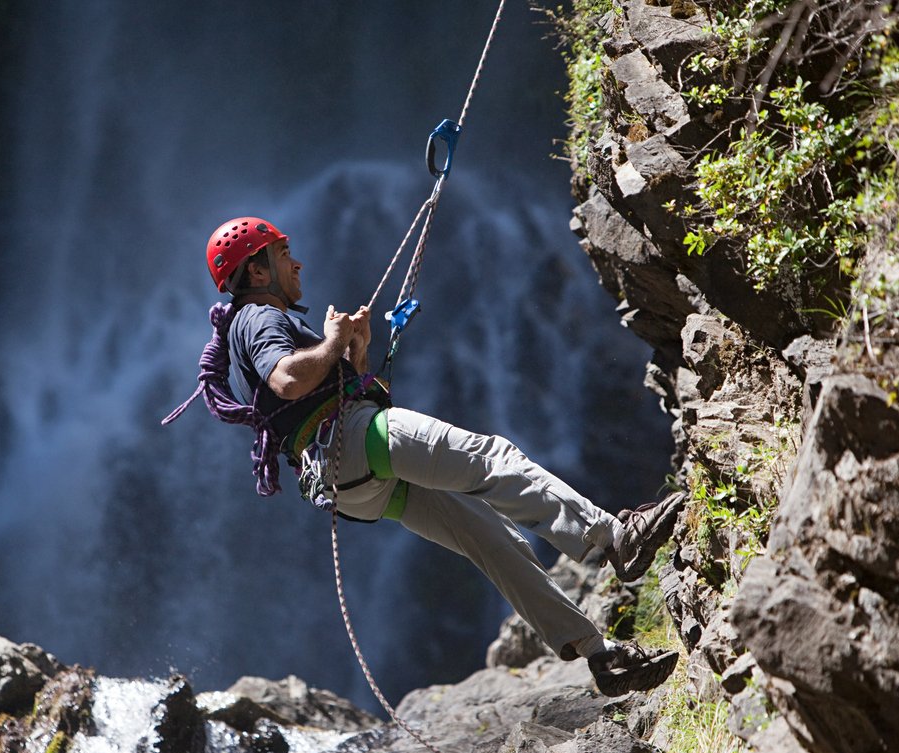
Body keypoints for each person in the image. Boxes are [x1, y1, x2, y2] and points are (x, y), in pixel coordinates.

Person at [165, 217, 682, 697]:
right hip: (351, 440)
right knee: (489, 457)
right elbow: (287, 379)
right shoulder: (258, 317)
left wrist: (355, 354)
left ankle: (600, 654)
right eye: (283, 254)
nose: (296, 264)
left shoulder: (251, 321)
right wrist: (330, 343)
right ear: (256, 270)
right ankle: (617, 538)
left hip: (348, 482)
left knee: (494, 541)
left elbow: (322, 387)